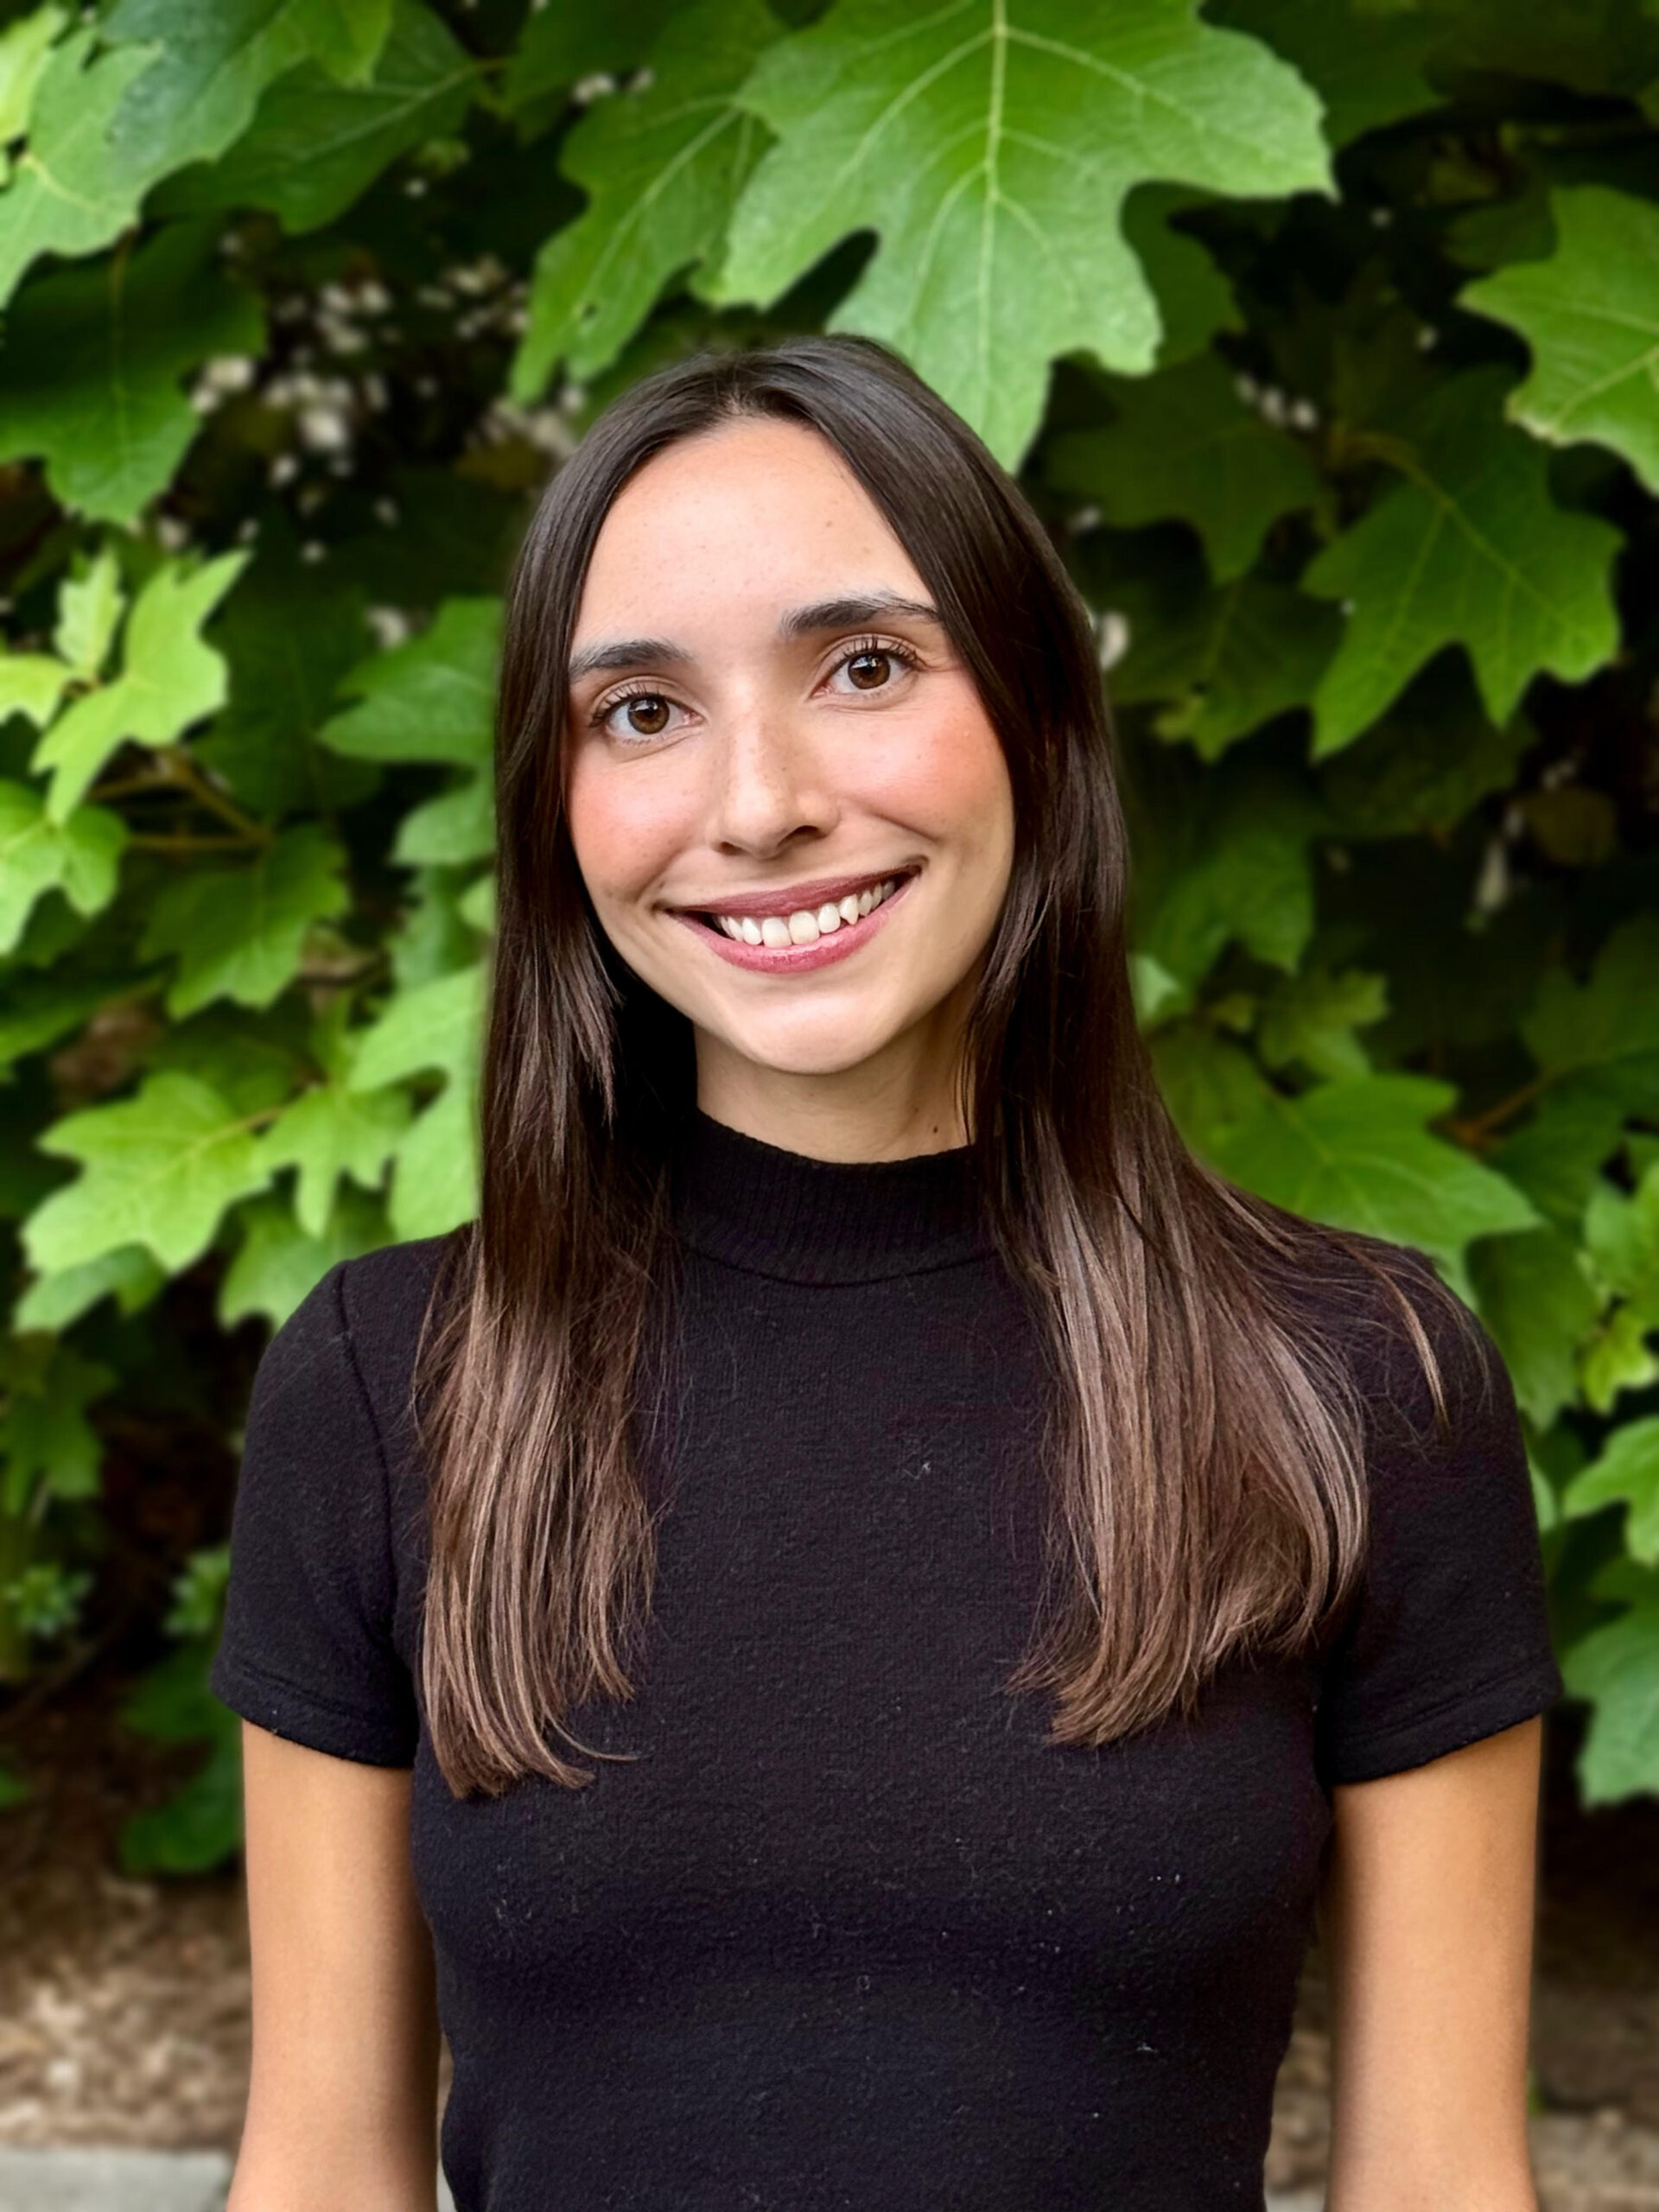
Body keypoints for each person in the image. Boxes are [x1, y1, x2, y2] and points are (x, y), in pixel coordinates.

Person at [211, 334, 1563, 2212]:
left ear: (1037, 716)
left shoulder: (1356, 1382)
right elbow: (323, 2175)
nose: (757, 802)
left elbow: (1437, 2180)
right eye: (642, 711)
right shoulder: (390, 1382)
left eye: (862, 666)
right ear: (554, 805)